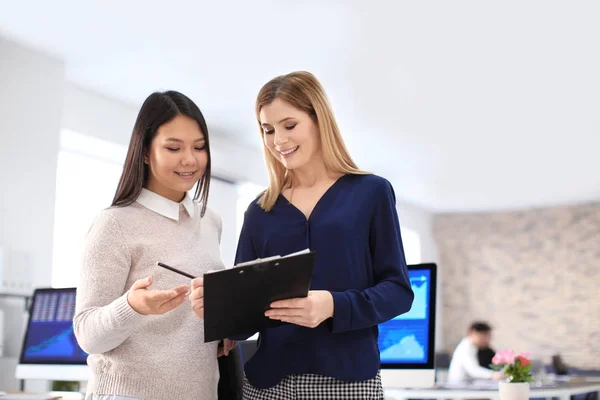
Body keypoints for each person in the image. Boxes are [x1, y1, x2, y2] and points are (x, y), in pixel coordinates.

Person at [233, 71, 414, 399]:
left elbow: (399, 291)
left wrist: (334, 305)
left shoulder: (371, 193)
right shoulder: (259, 211)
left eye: (290, 125)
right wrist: (217, 308)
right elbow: (245, 317)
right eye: (268, 130)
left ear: (319, 120)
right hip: (268, 386)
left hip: (347, 383)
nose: (278, 141)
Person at [74, 90, 236, 400]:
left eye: (199, 147)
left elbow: (195, 321)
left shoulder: (209, 221)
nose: (190, 159)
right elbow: (87, 335)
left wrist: (226, 325)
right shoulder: (114, 224)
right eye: (174, 147)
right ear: (145, 152)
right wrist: (132, 307)